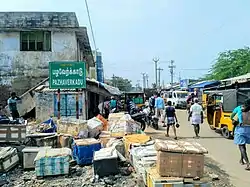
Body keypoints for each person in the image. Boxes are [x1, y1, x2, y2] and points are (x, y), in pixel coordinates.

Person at [231, 99, 250, 170]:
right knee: (243, 146)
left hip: (240, 130)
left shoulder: (240, 112)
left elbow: (234, 122)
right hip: (249, 130)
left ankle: (248, 163)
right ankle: (241, 160)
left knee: (241, 147)